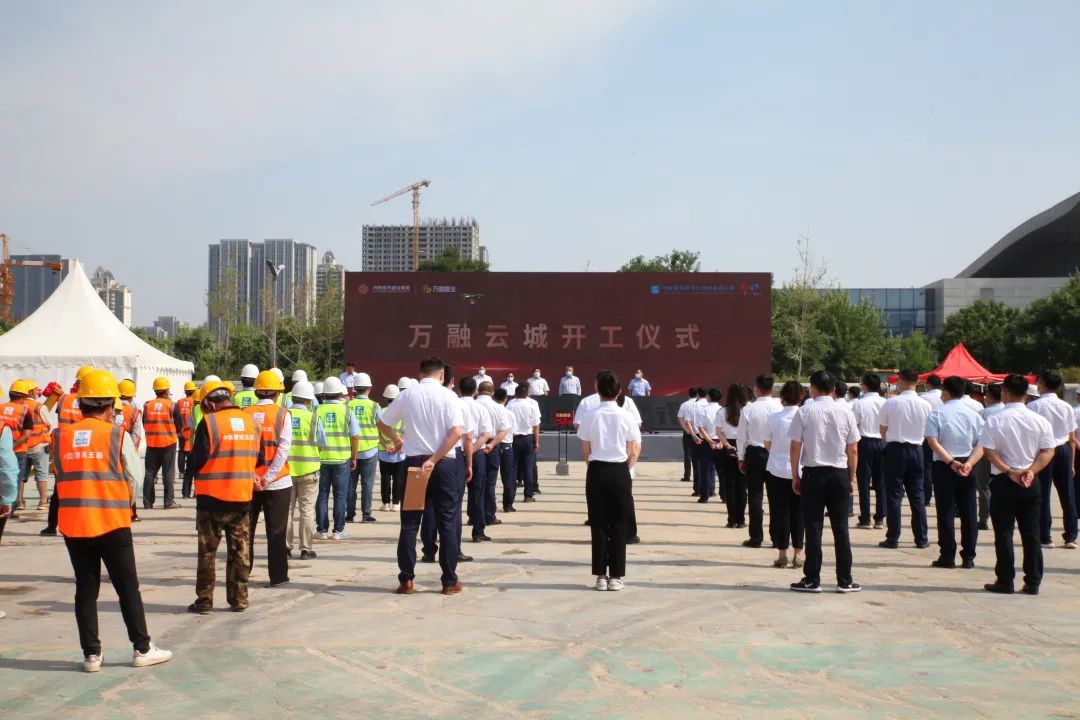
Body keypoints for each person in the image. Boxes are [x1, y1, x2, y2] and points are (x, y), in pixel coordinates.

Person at [54, 369, 171, 670]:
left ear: (81, 404)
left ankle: (91, 655)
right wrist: (124, 501)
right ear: (109, 406)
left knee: (85, 587)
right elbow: (135, 477)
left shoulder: (61, 436)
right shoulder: (117, 435)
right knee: (127, 586)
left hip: (74, 523)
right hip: (112, 522)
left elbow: (61, 473)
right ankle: (142, 649)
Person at [377, 356, 466, 595]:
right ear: (441, 376)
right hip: (443, 464)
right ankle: (449, 581)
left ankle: (406, 579)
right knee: (447, 522)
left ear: (420, 373)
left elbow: (383, 423)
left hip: (414, 464)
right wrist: (434, 459)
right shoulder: (449, 396)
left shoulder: (408, 394)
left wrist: (399, 440)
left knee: (410, 523)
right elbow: (456, 433)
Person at [185, 380, 263, 614]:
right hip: (241, 498)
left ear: (210, 404)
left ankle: (204, 601)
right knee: (240, 551)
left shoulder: (209, 423)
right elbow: (259, 458)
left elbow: (197, 460)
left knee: (207, 553)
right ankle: (239, 599)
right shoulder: (252, 423)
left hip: (211, 499)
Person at [980, 374, 1055, 595]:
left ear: (1005, 392)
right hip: (1030, 480)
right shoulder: (1039, 420)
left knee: (1004, 532)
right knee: (1031, 532)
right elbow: (1048, 451)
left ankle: (1005, 580)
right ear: (1027, 394)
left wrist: (1008, 470)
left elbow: (988, 450)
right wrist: (1031, 470)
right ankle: (1033, 581)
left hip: (1004, 479)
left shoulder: (995, 419)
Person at [788, 370, 861, 593]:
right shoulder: (846, 412)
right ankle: (845, 580)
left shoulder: (804, 411)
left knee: (813, 527)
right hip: (839, 474)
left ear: (812, 388)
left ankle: (812, 579)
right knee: (841, 529)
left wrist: (795, 475)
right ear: (834, 389)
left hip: (813, 474)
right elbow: (853, 449)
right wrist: (851, 477)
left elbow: (795, 446)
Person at [578, 370, 641, 591]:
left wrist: (594, 467)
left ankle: (600, 576)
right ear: (619, 391)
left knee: (598, 524)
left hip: (597, 470)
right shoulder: (627, 416)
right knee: (619, 524)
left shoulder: (589, 415)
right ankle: (616, 576)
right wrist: (625, 469)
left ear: (597, 388)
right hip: (620, 470)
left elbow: (585, 449)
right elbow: (634, 449)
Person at [925, 375, 986, 569]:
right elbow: (982, 444)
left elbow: (932, 442)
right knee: (969, 511)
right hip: (968, 464)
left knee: (945, 511)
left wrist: (951, 462)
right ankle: (968, 556)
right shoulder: (974, 415)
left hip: (945, 465)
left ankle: (947, 555)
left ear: (945, 391)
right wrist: (969, 463)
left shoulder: (937, 413)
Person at [244, 371, 292, 587]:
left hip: (249, 482)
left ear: (256, 391)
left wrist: (255, 476)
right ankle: (278, 576)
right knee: (276, 532)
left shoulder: (245, 413)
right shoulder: (283, 414)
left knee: (246, 532)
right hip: (278, 482)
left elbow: (242, 449)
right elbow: (283, 449)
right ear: (277, 393)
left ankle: (242, 574)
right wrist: (268, 477)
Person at [878, 368, 932, 550]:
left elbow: (882, 429)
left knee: (894, 495)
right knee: (917, 495)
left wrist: (890, 441)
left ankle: (893, 537)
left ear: (900, 380)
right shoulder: (925, 405)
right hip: (917, 449)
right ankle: (921, 538)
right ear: (917, 382)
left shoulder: (891, 403)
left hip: (895, 449)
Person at [1028, 369, 1078, 549]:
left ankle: (1045, 537)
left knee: (1043, 494)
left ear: (1041, 384)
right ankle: (1071, 536)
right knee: (1068, 494)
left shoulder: (1034, 406)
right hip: (1063, 450)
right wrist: (1072, 463)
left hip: (1043, 451)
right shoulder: (1066, 406)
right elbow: (1071, 437)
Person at [42, 367, 93, 536]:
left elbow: (52, 412)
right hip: (83, 448)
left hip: (63, 448)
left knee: (59, 490)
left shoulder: (64, 398)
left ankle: (51, 526)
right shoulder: (89, 401)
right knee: (84, 489)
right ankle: (82, 525)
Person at [762, 380, 804, 569]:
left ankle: (782, 554)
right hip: (801, 470)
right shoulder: (805, 416)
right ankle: (798, 553)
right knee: (799, 513)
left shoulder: (773, 418)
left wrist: (778, 453)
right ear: (801, 396)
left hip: (776, 470)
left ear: (782, 396)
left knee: (780, 512)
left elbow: (767, 443)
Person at [737, 374, 781, 548]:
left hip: (754, 454)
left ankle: (756, 537)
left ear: (756, 389)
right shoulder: (779, 407)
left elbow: (742, 436)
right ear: (772, 388)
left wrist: (741, 458)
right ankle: (778, 538)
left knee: (755, 496)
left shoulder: (749, 409)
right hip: (774, 453)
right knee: (776, 497)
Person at [314, 377, 360, 541]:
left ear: (324, 394)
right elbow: (355, 436)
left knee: (322, 494)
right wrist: (354, 457)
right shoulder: (347, 411)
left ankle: (322, 530)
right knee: (340, 495)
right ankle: (338, 531)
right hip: (342, 459)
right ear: (340, 394)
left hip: (321, 459)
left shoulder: (316, 410)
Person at [286, 381, 320, 560]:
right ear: (309, 400)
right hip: (308, 471)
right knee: (306, 511)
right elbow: (321, 443)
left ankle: (285, 547)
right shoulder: (313, 418)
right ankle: (306, 549)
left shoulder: (283, 415)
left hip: (285, 472)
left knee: (287, 512)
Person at [474, 382, 510, 541]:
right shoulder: (498, 408)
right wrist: (492, 444)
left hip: (473, 446)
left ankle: (473, 515)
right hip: (491, 446)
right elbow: (504, 430)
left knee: (473, 485)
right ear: (492, 392)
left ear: (478, 390)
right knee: (489, 483)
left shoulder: (471, 405)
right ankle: (488, 515)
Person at [851, 374, 887, 530]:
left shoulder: (859, 403)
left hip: (864, 442)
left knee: (864, 482)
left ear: (864, 386)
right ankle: (880, 518)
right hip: (882, 442)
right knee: (881, 482)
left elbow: (854, 425)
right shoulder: (885, 402)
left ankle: (865, 518)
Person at [2, 380, 41, 514]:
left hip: (1, 451)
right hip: (18, 451)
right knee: (15, 480)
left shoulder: (0, 407)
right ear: (24, 396)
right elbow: (26, 435)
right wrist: (11, 447)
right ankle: (9, 509)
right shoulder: (25, 411)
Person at [345, 372, 379, 524]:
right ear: (369, 389)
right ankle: (366, 515)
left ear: (354, 389)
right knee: (367, 484)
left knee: (350, 485)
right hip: (370, 451)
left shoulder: (347, 406)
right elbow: (381, 425)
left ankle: (350, 514)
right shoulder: (374, 406)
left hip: (351, 451)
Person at [142, 377, 180, 510]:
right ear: (167, 390)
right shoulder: (172, 405)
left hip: (152, 443)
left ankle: (147, 503)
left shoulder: (147, 405)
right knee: (168, 473)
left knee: (149, 473)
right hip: (168, 443)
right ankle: (168, 502)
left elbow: (144, 422)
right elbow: (179, 424)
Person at [507, 384, 541, 510]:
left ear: (515, 394)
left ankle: (510, 496)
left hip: (514, 438)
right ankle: (528, 495)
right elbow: (536, 425)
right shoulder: (532, 405)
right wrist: (536, 441)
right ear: (527, 394)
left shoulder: (510, 404)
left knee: (513, 467)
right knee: (528, 467)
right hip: (528, 438)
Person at [719, 383, 747, 528]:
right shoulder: (747, 410)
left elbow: (718, 431)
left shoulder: (722, 411)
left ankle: (732, 520)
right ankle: (741, 520)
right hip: (745, 446)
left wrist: (726, 444)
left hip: (728, 446)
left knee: (730, 484)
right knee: (742, 485)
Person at [978, 384, 1006, 530]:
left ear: (989, 395)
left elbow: (979, 436)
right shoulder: (1006, 410)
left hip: (986, 452)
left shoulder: (983, 413)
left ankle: (983, 519)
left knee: (984, 486)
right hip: (1005, 454)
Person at [378, 384, 406, 512]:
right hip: (399, 451)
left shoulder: (381, 411)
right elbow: (405, 432)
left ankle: (385, 504)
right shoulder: (403, 413)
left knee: (385, 478)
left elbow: (377, 431)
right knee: (398, 478)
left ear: (385, 398)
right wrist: (396, 445)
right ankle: (396, 503)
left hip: (384, 451)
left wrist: (386, 445)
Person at [694, 388, 723, 503]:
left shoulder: (703, 410)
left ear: (708, 397)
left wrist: (709, 441)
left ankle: (705, 496)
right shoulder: (722, 410)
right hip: (720, 441)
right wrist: (721, 442)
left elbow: (700, 427)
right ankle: (724, 495)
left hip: (707, 442)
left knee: (705, 469)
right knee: (721, 471)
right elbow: (725, 428)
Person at [919, 374, 944, 503]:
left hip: (928, 436)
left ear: (928, 384)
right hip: (945, 436)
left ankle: (927, 496)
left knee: (927, 467)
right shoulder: (945, 397)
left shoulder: (923, 398)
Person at [175, 381, 197, 498]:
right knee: (191, 456)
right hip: (191, 432)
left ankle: (181, 472)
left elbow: (176, 416)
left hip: (181, 431)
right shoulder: (195, 402)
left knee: (181, 451)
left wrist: (179, 430)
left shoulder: (179, 402)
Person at [676, 387, 699, 483]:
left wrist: (686, 430)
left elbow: (680, 418)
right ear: (697, 394)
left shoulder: (684, 404)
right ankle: (698, 476)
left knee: (687, 454)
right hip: (700, 433)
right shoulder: (700, 405)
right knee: (698, 455)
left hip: (688, 433)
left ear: (689, 394)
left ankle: (687, 475)